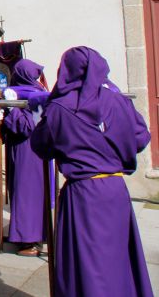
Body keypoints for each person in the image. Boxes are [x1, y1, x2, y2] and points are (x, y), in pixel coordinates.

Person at [31, 47, 153, 297]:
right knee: (117, 261)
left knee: (89, 265)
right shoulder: (118, 101)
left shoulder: (60, 108)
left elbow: (41, 145)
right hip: (115, 190)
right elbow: (140, 137)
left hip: (84, 194)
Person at [0, 59, 49, 257]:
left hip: (30, 151)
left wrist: (11, 108)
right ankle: (21, 233)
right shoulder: (28, 92)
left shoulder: (34, 96)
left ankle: (31, 240)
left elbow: (27, 126)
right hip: (20, 148)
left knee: (28, 194)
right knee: (18, 190)